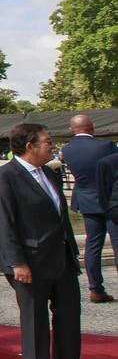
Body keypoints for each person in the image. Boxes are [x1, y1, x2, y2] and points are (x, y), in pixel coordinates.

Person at [0, 123, 105, 359]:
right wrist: (18, 262)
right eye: (47, 141)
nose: (52, 146)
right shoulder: (5, 177)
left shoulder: (50, 174)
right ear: (30, 146)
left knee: (68, 316)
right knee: (34, 318)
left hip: (61, 259)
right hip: (29, 262)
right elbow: (4, 223)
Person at [60, 113, 118, 303]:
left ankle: (95, 289)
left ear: (72, 129)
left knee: (93, 245)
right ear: (91, 127)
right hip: (111, 201)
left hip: (86, 201)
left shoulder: (67, 150)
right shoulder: (106, 146)